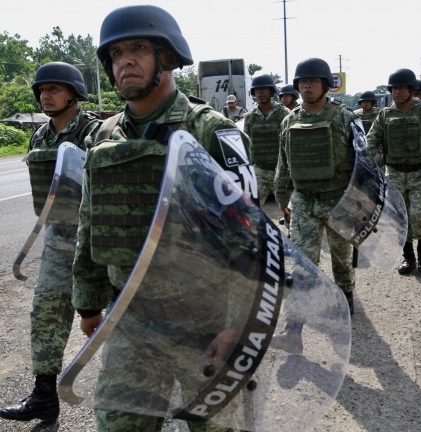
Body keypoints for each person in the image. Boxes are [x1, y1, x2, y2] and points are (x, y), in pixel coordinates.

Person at [71, 5, 256, 431]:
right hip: (132, 319)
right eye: (116, 54)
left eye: (138, 48)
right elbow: (90, 223)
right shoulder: (103, 136)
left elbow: (251, 242)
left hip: (205, 323)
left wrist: (238, 326)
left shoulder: (211, 131)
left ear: (167, 57)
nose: (125, 62)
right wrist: (87, 300)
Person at [0, 62, 102, 423]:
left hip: (100, 240)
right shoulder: (40, 137)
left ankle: (147, 388)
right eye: (42, 90)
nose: (46, 95)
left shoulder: (95, 131)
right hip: (59, 240)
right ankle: (44, 395)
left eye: (54, 89)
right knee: (45, 312)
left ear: (74, 93)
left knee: (126, 317)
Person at [274, 57, 357, 314]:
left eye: (312, 81)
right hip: (303, 200)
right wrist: (281, 196)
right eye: (302, 82)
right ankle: (300, 312)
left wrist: (360, 200)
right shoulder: (289, 121)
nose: (307, 87)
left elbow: (363, 162)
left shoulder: (344, 117)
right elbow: (283, 162)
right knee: (303, 260)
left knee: (342, 258)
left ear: (325, 85)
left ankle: (345, 296)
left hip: (337, 199)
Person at [366, 68, 421, 275]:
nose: (397, 92)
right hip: (394, 174)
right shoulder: (385, 115)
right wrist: (376, 162)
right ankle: (409, 258)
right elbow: (371, 142)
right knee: (400, 217)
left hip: (420, 174)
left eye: (401, 88)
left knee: (418, 215)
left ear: (411, 89)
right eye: (394, 88)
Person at [243, 74, 289, 204]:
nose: (260, 92)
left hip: (280, 171)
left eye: (263, 88)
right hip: (259, 170)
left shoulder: (284, 113)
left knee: (289, 212)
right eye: (257, 89)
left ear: (271, 91)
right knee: (252, 210)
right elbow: (247, 143)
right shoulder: (250, 117)